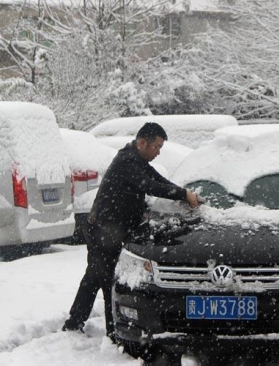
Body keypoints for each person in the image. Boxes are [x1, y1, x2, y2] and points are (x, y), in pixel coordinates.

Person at [62, 122, 200, 340]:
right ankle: (114, 331)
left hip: (110, 229)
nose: (158, 152)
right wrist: (182, 194)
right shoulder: (127, 161)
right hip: (103, 230)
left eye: (161, 147)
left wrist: (184, 192)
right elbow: (149, 185)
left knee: (93, 277)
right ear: (142, 142)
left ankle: (74, 322)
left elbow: (158, 179)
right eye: (156, 146)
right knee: (108, 280)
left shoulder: (137, 159)